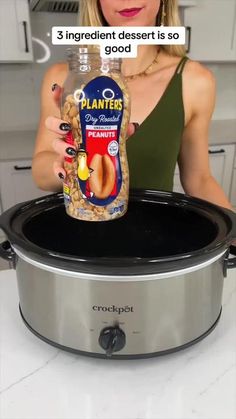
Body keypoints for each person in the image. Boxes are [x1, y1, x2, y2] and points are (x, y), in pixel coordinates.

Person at [32, 0, 233, 210]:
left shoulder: (195, 81)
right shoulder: (64, 78)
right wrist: (66, 163)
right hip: (77, 232)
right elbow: (40, 172)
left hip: (156, 234)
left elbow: (199, 180)